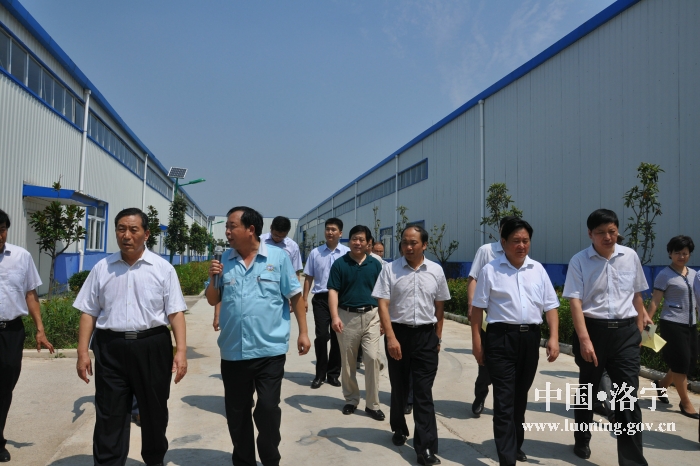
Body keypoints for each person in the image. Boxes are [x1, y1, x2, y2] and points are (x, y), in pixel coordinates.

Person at [74, 208, 188, 466]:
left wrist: (181, 351)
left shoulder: (162, 268)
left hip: (152, 345)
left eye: (133, 230)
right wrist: (82, 352)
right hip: (110, 348)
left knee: (154, 411)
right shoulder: (102, 268)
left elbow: (175, 313)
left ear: (146, 234)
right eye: (121, 229)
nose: (126, 235)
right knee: (109, 412)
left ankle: (154, 460)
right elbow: (88, 312)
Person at [206, 206, 310, 466]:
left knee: (268, 409)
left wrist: (304, 332)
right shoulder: (224, 259)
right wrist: (213, 278)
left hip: (269, 351)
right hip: (233, 351)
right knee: (237, 413)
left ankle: (270, 457)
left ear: (250, 229)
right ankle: (244, 461)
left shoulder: (278, 258)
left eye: (232, 226)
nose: (227, 232)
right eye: (226, 227)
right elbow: (212, 299)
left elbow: (295, 295)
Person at [563, 209, 652, 465]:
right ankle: (582, 438)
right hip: (593, 331)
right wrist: (584, 340)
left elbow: (636, 294)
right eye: (601, 232)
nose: (608, 237)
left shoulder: (630, 256)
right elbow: (575, 302)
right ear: (590, 234)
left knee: (627, 397)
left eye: (612, 231)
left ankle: (633, 461)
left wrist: (640, 324)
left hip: (625, 333)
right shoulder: (579, 261)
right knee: (589, 391)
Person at [471, 218, 560, 466]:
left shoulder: (538, 270)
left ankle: (515, 444)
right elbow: (477, 310)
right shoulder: (490, 270)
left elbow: (551, 306)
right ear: (503, 242)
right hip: (500, 338)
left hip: (530, 339)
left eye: (526, 241)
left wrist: (553, 337)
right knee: (504, 399)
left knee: (520, 397)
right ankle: (507, 458)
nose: (521, 245)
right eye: (516, 241)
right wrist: (477, 342)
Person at [373, 225, 450, 466]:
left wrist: (437, 337)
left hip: (426, 336)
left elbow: (440, 307)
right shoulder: (390, 269)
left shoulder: (436, 271)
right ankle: (399, 427)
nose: (408, 246)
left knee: (423, 392)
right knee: (399, 386)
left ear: (424, 245)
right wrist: (391, 337)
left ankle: (425, 447)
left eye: (413, 242)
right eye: (405, 242)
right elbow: (383, 305)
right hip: (399, 334)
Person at [0, 209, 54, 463]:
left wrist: (40, 329)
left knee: (5, 387)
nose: (0, 236)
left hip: (11, 331)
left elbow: (30, 294)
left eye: (2, 230)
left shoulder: (21, 256)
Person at [328, 225, 384, 420]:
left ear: (368, 243)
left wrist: (384, 320)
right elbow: (333, 291)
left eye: (361, 240)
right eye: (354, 239)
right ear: (349, 240)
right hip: (347, 317)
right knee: (348, 362)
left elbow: (383, 294)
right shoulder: (340, 264)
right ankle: (351, 399)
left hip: (372, 316)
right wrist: (335, 317)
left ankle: (372, 404)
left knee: (372, 358)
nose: (357, 243)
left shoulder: (375, 264)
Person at [467, 216, 518, 418]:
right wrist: (471, 306)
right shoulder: (487, 251)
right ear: (500, 230)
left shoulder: (519, 252)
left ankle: (504, 405)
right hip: (489, 319)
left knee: (511, 368)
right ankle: (480, 395)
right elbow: (473, 278)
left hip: (512, 322)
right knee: (486, 365)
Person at [646, 235, 698, 419]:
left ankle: (661, 385)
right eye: (677, 253)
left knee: (687, 361)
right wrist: (647, 320)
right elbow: (655, 300)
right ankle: (685, 402)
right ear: (670, 253)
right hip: (672, 323)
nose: (681, 256)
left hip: (691, 324)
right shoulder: (664, 275)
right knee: (681, 361)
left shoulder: (694, 274)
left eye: (685, 253)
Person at [303, 218, 349, 389]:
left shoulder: (347, 253)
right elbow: (309, 277)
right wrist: (304, 299)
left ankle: (334, 374)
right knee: (322, 336)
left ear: (340, 233)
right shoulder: (315, 253)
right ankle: (320, 374)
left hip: (341, 299)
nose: (330, 232)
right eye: (328, 229)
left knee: (338, 337)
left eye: (334, 229)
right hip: (321, 299)